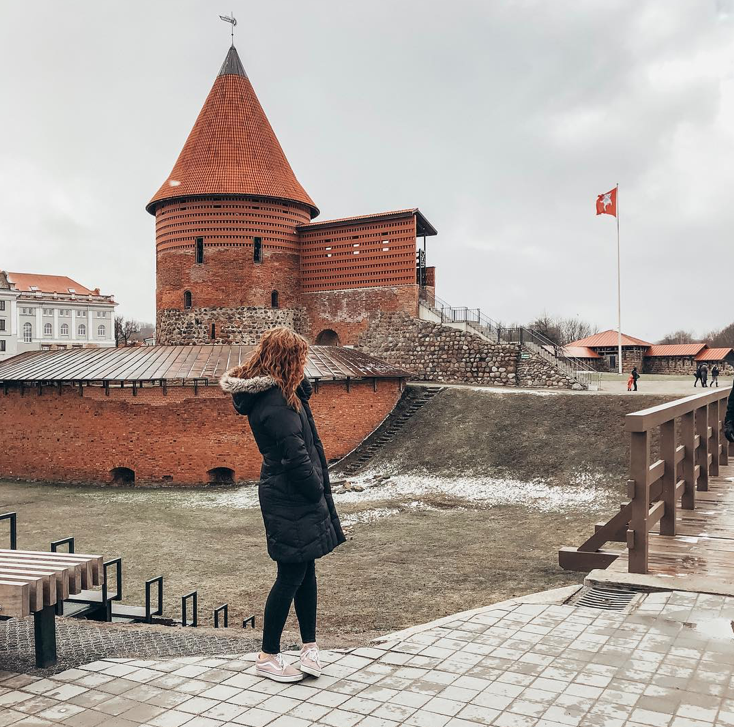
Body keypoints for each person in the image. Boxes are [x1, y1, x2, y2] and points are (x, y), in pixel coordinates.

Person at [219, 327, 345, 683]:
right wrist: (315, 489)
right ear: (289, 360)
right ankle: (267, 655)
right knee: (291, 573)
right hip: (290, 495)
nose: (305, 365)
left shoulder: (286, 394)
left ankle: (309, 647)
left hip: (295, 493)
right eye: (300, 360)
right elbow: (296, 456)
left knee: (306, 569)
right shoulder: (276, 404)